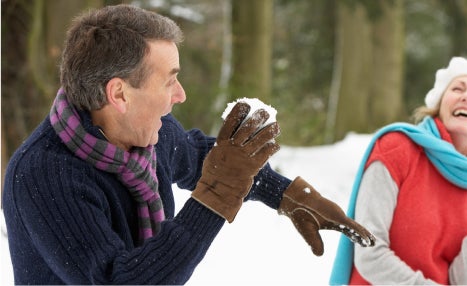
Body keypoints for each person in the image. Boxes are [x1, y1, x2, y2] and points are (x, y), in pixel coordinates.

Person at [2, 4, 375, 285]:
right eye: (169, 81)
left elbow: (200, 157)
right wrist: (217, 194)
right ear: (119, 94)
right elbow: (120, 281)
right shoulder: (43, 176)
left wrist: (289, 196)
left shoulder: (150, 135)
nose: (180, 95)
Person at [329, 57, 467, 285]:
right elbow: (368, 251)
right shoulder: (396, 149)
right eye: (457, 88)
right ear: (439, 106)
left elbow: (466, 282)